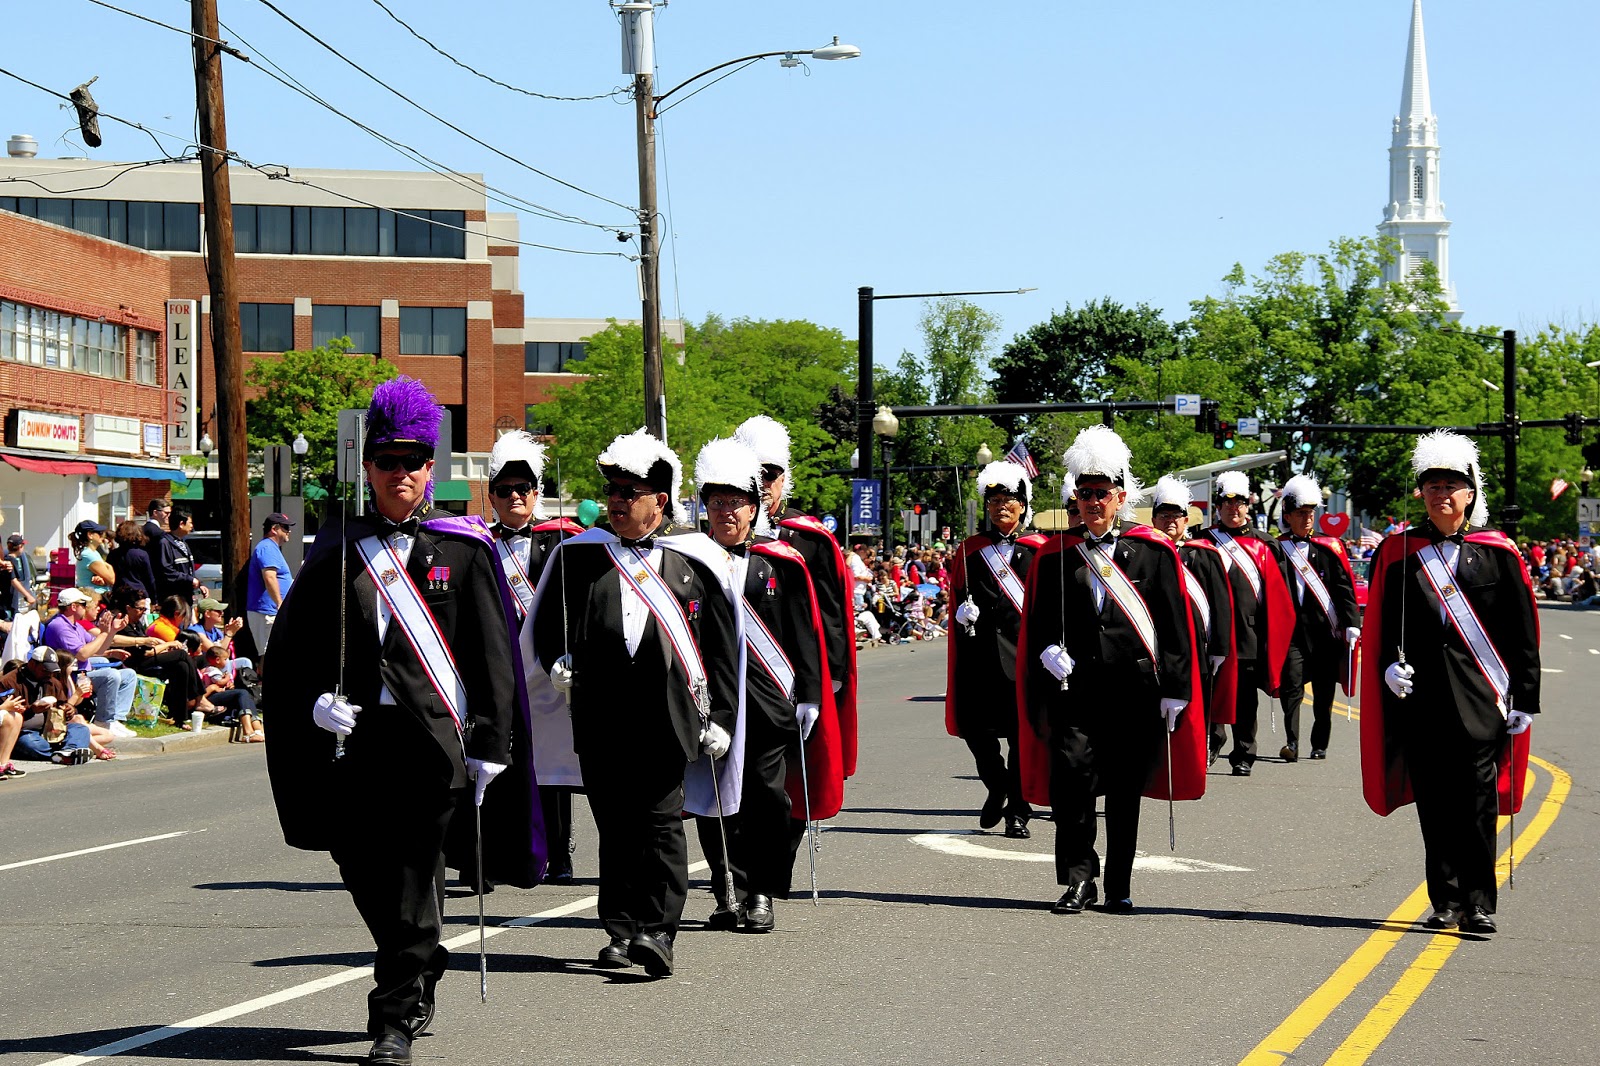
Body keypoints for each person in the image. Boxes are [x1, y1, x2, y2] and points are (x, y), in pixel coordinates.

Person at [264, 377, 533, 1066]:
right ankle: (420, 959)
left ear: (430, 467)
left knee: (415, 876)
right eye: (387, 461)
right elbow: (293, 651)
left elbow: (491, 656)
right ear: (369, 467)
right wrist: (313, 702)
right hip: (359, 744)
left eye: (413, 461)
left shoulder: (464, 549)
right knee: (363, 867)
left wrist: (491, 742)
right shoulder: (338, 548)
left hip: (432, 745)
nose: (401, 473)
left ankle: (394, 1016)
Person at [525, 427, 739, 977]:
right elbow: (546, 625)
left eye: (629, 493)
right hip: (600, 715)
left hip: (668, 718)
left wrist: (723, 718)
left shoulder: (694, 560)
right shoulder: (579, 558)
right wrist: (555, 661)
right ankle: (620, 929)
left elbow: (720, 648)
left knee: (661, 824)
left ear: (659, 501)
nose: (615, 501)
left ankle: (659, 930)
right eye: (612, 492)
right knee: (616, 826)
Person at [1015, 426, 1202, 915]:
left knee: (1123, 790)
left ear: (1120, 497)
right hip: (1075, 690)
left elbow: (1174, 625)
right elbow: (1038, 622)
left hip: (1134, 690)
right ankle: (1079, 878)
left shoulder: (1154, 552)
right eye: (1085, 494)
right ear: (1075, 499)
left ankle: (1118, 883)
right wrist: (1045, 652)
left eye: (1102, 493)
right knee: (1072, 781)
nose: (1093, 502)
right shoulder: (1055, 555)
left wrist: (1176, 688)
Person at [1362, 430, 1539, 935]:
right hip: (1421, 699)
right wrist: (1387, 667)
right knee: (1435, 804)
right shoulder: (1397, 551)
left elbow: (1521, 632)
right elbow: (1383, 625)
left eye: (1451, 486)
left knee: (1478, 804)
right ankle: (1445, 900)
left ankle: (1478, 903)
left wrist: (1526, 698)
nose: (1441, 494)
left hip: (1482, 698)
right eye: (1432, 486)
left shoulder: (1498, 552)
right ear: (1421, 493)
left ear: (1470, 494)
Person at [690, 437, 833, 933]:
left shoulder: (782, 561)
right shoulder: (690, 560)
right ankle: (727, 888)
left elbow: (803, 632)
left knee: (766, 797)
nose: (726, 512)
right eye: (717, 501)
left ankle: (762, 892)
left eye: (736, 502)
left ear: (754, 508)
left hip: (768, 701)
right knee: (714, 800)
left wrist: (810, 694)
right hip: (711, 702)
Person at [734, 414, 856, 897]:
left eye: (772, 474)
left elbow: (831, 612)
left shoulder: (809, 537)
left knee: (798, 777)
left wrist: (833, 676)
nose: (764, 484)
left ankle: (774, 865)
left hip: (799, 674)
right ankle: (748, 877)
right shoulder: (717, 534)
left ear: (785, 478)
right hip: (740, 673)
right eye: (756, 475)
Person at [485, 429, 576, 885]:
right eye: (504, 490)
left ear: (537, 493)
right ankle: (501, 852)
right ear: (491, 497)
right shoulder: (479, 542)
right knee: (495, 760)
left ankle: (559, 852)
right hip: (500, 664)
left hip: (546, 668)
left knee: (551, 762)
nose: (514, 496)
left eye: (522, 488)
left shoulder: (562, 540)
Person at [945, 460, 1048, 838]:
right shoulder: (971, 550)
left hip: (1024, 659)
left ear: (1023, 505)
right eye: (993, 501)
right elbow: (958, 597)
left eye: (1008, 500)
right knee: (976, 733)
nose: (1000, 506)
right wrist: (961, 612)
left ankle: (1018, 811)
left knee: (1020, 738)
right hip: (979, 658)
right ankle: (997, 784)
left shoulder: (1040, 550)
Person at [1198, 470, 1295, 776]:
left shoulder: (1266, 544)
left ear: (1247, 505)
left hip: (1249, 635)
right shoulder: (1203, 541)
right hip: (1211, 634)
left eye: (1238, 502)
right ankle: (1213, 739)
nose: (1233, 508)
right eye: (1226, 503)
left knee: (1244, 699)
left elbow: (1280, 597)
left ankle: (1243, 754)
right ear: (1218, 507)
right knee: (1211, 692)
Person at [1148, 475, 1238, 768]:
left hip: (1198, 646)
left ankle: (1198, 751)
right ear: (1153, 519)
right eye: (1164, 515)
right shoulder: (1145, 553)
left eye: (1176, 516)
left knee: (1198, 705)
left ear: (1186, 521)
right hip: (1159, 646)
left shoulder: (1203, 554)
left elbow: (1220, 604)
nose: (1170, 521)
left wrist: (1220, 648)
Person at [1274, 475, 1361, 762]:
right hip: (1292, 633)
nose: (1307, 518)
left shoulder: (1328, 548)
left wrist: (1352, 624)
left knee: (1324, 694)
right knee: (1292, 688)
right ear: (1288, 516)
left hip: (1325, 632)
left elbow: (1344, 589)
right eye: (1301, 513)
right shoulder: (1277, 549)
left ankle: (1319, 743)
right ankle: (1292, 742)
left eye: (1310, 512)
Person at [41, 587, 138, 737]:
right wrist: (104, 633)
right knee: (111, 675)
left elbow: (98, 649)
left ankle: (115, 719)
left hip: (83, 672)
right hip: (72, 677)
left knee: (129, 675)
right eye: (83, 604)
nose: (86, 608)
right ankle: (103, 722)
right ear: (74, 606)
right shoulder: (60, 626)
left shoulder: (76, 625)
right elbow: (83, 654)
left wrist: (112, 631)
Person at [247, 512, 295, 657]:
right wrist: (280, 604)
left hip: (271, 611)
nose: (289, 531)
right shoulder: (267, 547)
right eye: (285, 527)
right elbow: (269, 577)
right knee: (269, 655)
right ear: (274, 529)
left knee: (275, 654)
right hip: (267, 612)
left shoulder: (271, 548)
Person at [105, 520, 160, 604]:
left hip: (119, 593)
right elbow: (150, 579)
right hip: (139, 594)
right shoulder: (142, 554)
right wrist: (154, 600)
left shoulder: (113, 554)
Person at [155, 507, 201, 604]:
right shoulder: (165, 543)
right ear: (181, 524)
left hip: (186, 597)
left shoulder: (183, 543)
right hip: (174, 599)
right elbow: (167, 571)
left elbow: (188, 570)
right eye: (190, 523)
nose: (192, 526)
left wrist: (199, 584)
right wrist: (190, 579)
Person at [70, 520, 115, 591]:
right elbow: (112, 580)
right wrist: (109, 566)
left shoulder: (93, 552)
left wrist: (102, 580)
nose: (103, 536)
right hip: (94, 595)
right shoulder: (88, 555)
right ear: (90, 535)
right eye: (100, 533)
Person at [8, 533, 38, 617]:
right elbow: (13, 580)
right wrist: (28, 596)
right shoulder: (11, 561)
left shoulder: (6, 560)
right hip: (10, 603)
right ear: (20, 546)